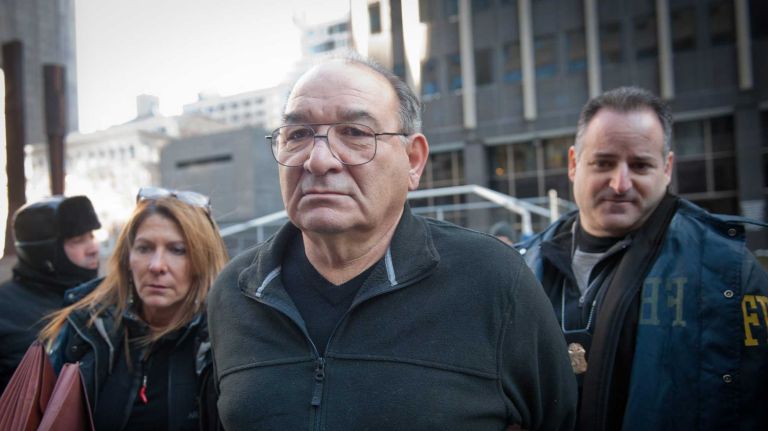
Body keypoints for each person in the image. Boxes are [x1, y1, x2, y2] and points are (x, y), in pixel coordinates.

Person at [207, 55, 577, 430]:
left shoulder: (493, 281)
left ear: (412, 161)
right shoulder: (236, 293)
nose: (318, 160)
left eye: (354, 133)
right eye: (298, 135)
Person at [516, 86, 768, 431]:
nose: (620, 183)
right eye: (604, 163)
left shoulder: (728, 271)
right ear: (574, 164)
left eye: (640, 165)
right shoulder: (525, 265)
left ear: (666, 168)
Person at [40, 187, 228, 430]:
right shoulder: (89, 324)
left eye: (177, 250)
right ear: (127, 258)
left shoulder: (222, 340)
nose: (157, 265)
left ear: (201, 262)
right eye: (144, 248)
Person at [0, 195, 101, 392]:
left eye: (92, 236)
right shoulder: (4, 310)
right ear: (44, 251)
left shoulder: (105, 299)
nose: (93, 248)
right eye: (78, 240)